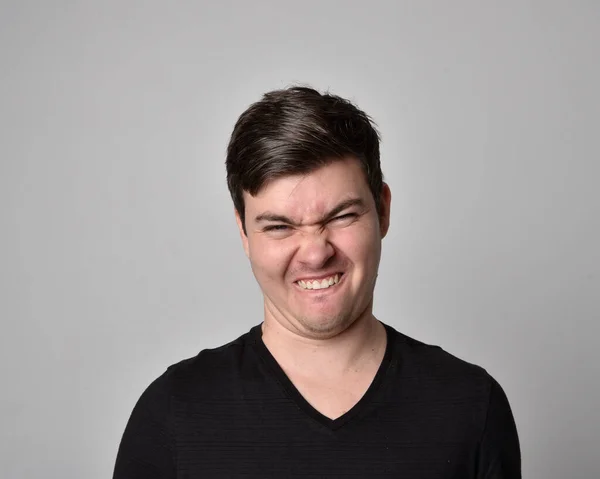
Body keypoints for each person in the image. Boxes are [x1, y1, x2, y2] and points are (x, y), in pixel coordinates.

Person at [113, 86, 521, 478]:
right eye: (278, 226)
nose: (314, 253)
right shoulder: (174, 412)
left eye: (342, 217)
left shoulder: (470, 405)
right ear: (244, 234)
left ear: (383, 210)